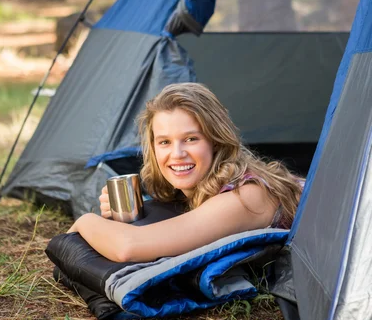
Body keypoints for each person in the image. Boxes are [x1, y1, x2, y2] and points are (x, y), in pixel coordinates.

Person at [68, 83, 302, 263]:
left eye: (191, 139)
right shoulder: (200, 186)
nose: (177, 154)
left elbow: (128, 248)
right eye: (165, 142)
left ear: (216, 142)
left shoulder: (247, 197)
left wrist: (85, 220)